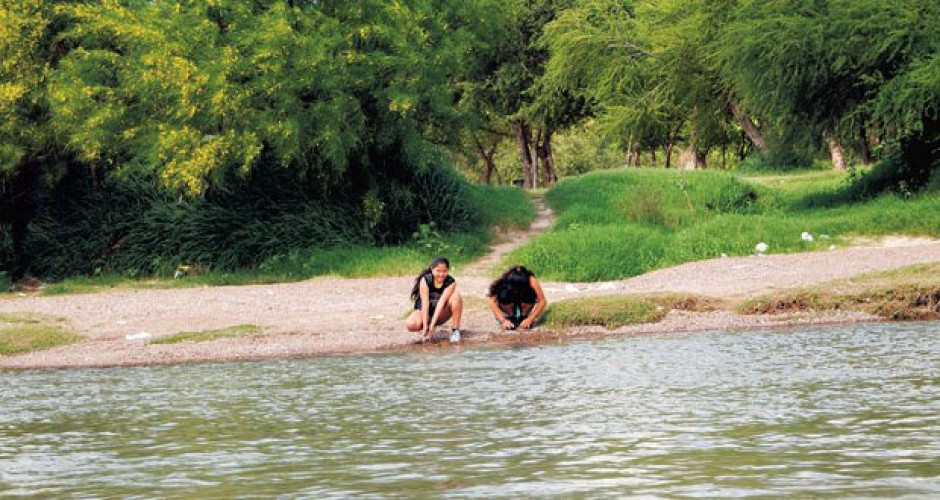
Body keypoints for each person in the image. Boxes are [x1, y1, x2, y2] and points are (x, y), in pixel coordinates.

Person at [405, 257, 463, 342]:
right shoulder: (425, 280)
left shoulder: (451, 282)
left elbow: (441, 303)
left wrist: (432, 325)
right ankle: (427, 329)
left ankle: (455, 331)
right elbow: (425, 304)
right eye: (438, 271)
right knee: (411, 324)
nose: (441, 274)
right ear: (432, 269)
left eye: (444, 271)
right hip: (425, 313)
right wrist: (425, 326)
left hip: (441, 313)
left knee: (456, 297)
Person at [487, 265, 547, 331]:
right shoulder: (505, 279)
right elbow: (491, 301)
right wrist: (503, 320)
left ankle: (523, 316)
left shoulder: (531, 280)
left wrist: (530, 319)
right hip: (509, 298)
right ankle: (510, 316)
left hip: (524, 298)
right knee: (504, 295)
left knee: (528, 295)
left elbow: (542, 301)